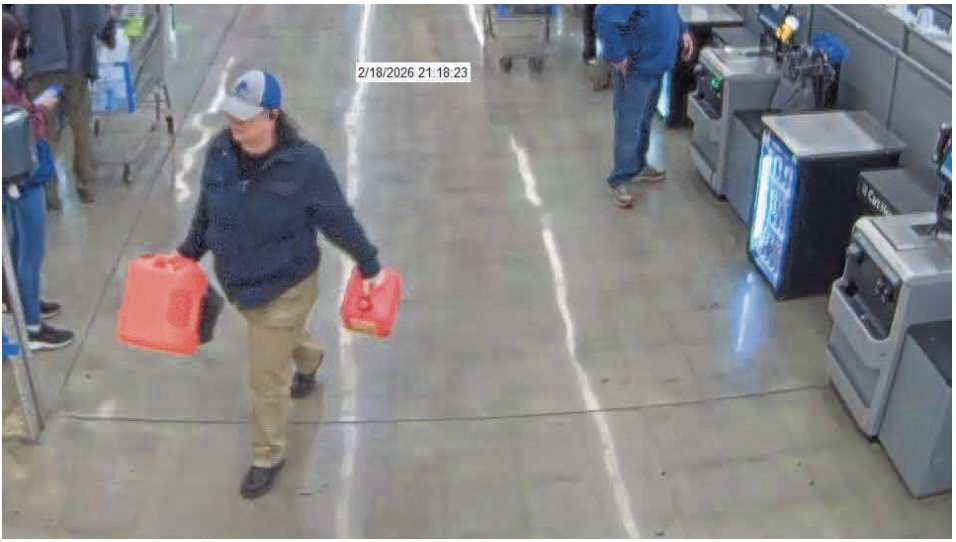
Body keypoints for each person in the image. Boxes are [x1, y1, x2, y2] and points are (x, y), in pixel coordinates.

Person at [176, 69, 385, 499]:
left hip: (285, 285)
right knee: (279, 340)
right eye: (232, 116)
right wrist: (187, 254)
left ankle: (267, 454)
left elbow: (336, 219)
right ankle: (309, 358)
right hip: (238, 281)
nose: (235, 126)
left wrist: (369, 265)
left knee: (265, 377)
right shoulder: (220, 151)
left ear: (272, 116)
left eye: (245, 118)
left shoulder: (305, 165)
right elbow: (206, 208)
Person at [2, 13, 75, 350]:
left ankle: (22, 304)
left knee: (17, 245)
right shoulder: (4, 90)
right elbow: (22, 128)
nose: (18, 46)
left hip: (10, 181)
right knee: (31, 250)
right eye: (14, 40)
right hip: (23, 178)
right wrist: (41, 107)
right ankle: (31, 327)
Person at [13, 4, 114, 208]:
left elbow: (20, 21)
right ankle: (87, 188)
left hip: (44, 70)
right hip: (77, 68)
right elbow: (98, 20)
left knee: (45, 133)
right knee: (81, 129)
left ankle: (50, 195)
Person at [595, 5, 694, 208]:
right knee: (629, 124)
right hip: (636, 70)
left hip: (656, 65)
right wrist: (617, 56)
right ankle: (619, 179)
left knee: (645, 120)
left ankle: (638, 166)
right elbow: (604, 17)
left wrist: (682, 31)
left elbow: (670, 10)